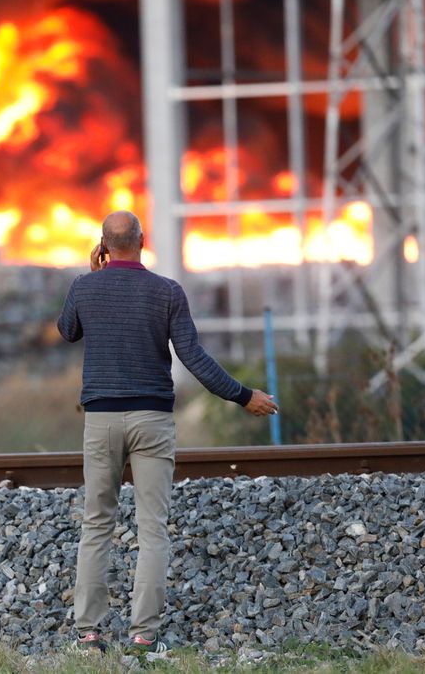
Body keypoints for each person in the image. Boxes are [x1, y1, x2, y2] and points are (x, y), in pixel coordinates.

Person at [57, 211, 278, 658]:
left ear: (103, 245)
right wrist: (243, 396)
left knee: (96, 524)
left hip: (100, 420)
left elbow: (67, 331)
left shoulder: (84, 287)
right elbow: (193, 357)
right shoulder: (167, 292)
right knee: (152, 528)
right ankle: (144, 636)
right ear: (143, 242)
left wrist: (93, 276)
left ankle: (88, 636)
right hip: (153, 421)